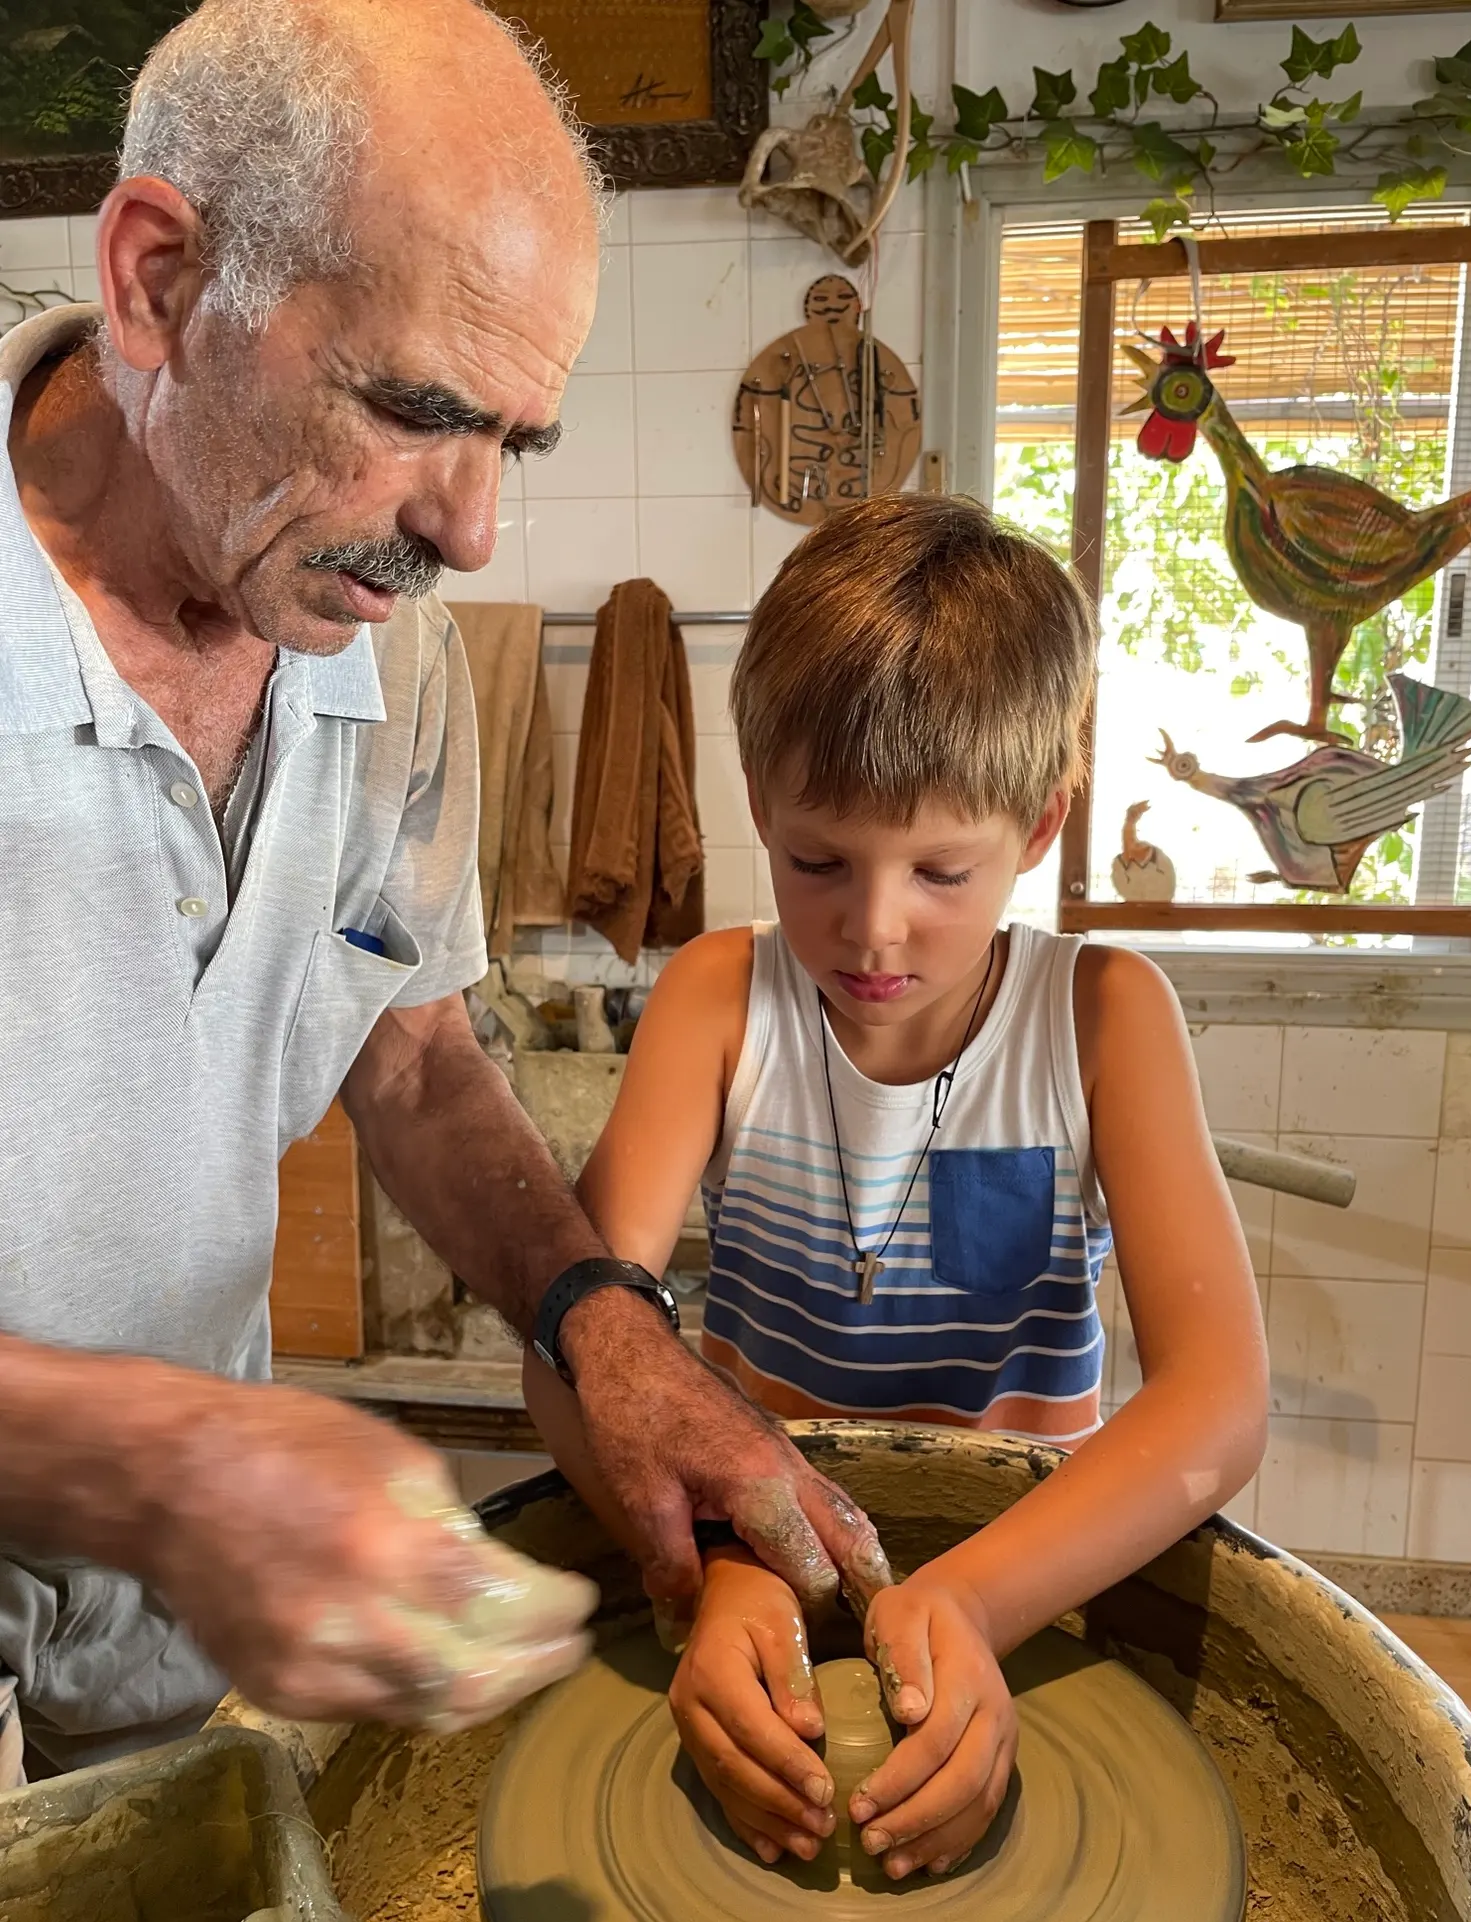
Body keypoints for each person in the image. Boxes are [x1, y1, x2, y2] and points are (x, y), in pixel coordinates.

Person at [0, 0, 887, 1789]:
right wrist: (156, 1459)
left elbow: (406, 1053)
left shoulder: (378, 658)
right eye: (417, 411)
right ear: (163, 281)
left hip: (179, 1562)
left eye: (516, 441)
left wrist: (598, 1320)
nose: (475, 532)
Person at [526, 492, 1270, 1881]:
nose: (872, 929)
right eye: (817, 862)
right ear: (759, 810)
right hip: (756, 1546)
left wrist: (977, 1603)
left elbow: (1219, 1405)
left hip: (1024, 1565)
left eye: (941, 869)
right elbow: (577, 1350)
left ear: (1038, 826)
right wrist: (732, 1568)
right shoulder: (717, 1000)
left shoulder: (1105, 1017)